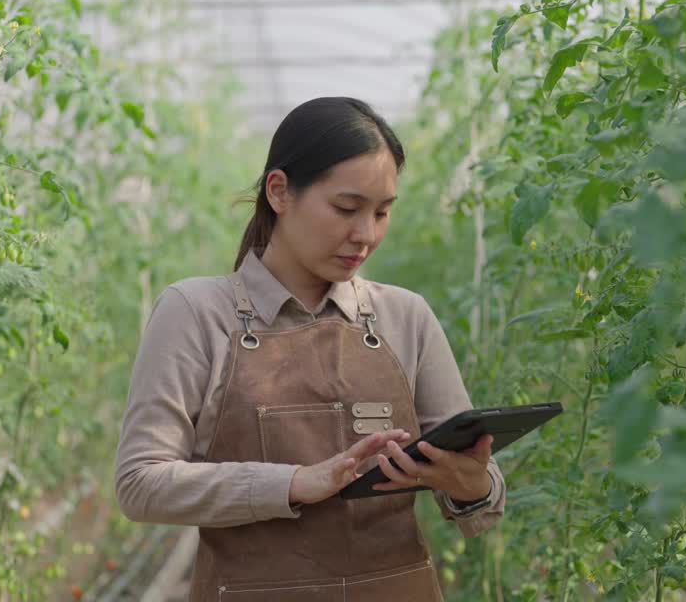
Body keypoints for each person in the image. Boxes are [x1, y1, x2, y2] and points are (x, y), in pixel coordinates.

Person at [114, 97, 506, 601]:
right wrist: (294, 483)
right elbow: (140, 483)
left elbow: (484, 491)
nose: (365, 235)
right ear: (279, 191)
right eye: (346, 208)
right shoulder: (195, 312)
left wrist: (470, 484)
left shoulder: (405, 317)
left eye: (382, 212)